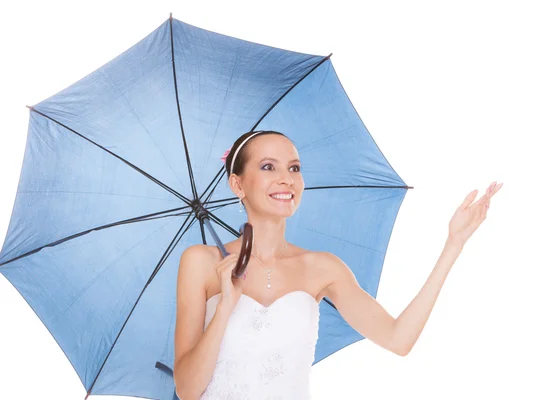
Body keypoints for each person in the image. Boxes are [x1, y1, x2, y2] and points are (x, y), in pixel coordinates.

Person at [172, 130, 502, 399]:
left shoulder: (323, 268)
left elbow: (398, 339)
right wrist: (227, 305)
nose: (287, 179)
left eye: (295, 168)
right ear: (238, 184)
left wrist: (453, 246)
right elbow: (187, 390)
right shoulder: (202, 262)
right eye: (268, 167)